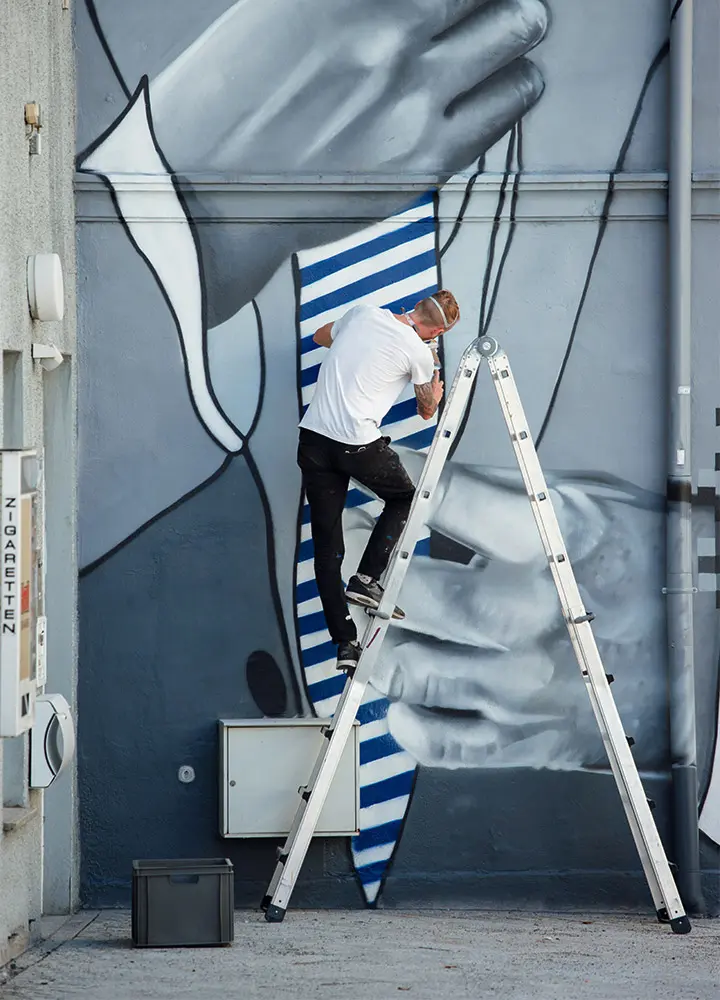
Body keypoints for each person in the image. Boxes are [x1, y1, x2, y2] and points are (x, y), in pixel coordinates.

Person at [297, 290, 460, 671]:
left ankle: (345, 643)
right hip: (356, 445)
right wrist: (433, 389)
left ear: (417, 307)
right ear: (436, 330)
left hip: (314, 441)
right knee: (405, 499)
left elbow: (322, 336)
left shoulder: (363, 313)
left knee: (326, 549)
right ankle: (367, 578)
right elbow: (425, 411)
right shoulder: (420, 353)